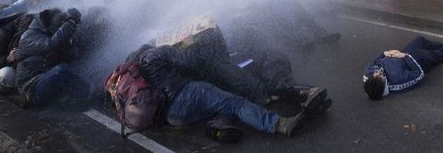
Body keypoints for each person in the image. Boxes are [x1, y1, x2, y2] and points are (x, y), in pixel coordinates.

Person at [135, 41, 315, 138]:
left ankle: (218, 124)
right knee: (236, 102)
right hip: (188, 93)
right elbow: (186, 62)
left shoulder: (141, 67)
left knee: (223, 103)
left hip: (172, 114)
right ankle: (278, 124)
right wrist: (186, 45)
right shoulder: (156, 53)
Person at [12, 7, 89, 107]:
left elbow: (70, 56)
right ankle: (88, 94)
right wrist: (70, 22)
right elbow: (50, 45)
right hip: (32, 88)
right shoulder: (28, 37)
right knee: (60, 71)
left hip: (43, 79)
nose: (59, 28)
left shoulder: (48, 34)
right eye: (59, 25)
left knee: (73, 68)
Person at [362, 31, 443, 100]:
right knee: (435, 55)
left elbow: (375, 61)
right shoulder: (398, 82)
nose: (378, 72)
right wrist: (405, 56)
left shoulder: (369, 73)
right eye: (380, 76)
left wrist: (385, 53)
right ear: (384, 84)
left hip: (400, 55)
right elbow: (418, 74)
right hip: (415, 62)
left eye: (376, 73)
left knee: (420, 40)